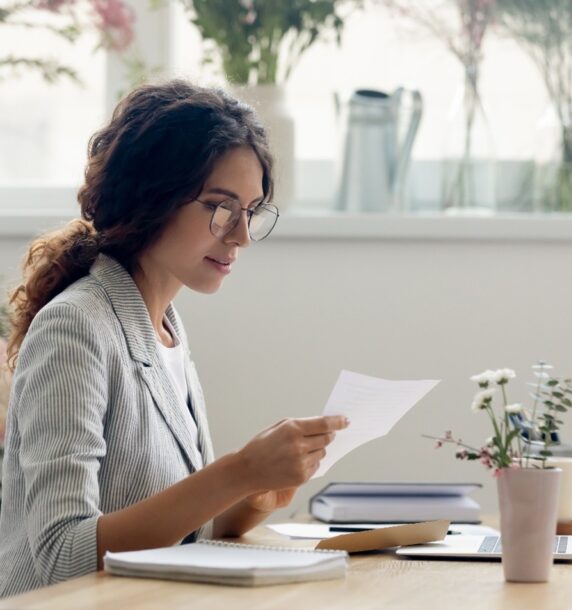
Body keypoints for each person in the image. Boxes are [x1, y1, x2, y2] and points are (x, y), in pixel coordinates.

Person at [0, 80, 348, 598]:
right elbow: (61, 558)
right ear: (153, 196)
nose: (241, 236)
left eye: (251, 211)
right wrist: (235, 472)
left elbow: (171, 531)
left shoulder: (164, 326)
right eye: (220, 206)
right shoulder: (75, 328)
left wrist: (254, 492)